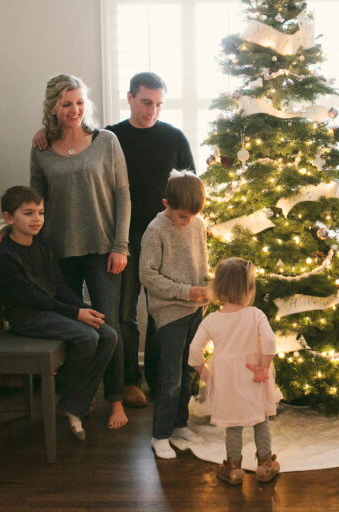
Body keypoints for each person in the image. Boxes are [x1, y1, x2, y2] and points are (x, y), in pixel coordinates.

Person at [34, 72, 195, 407]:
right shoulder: (108, 136)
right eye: (146, 102)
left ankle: (157, 379)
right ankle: (123, 384)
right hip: (116, 237)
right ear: (130, 98)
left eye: (159, 104)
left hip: (155, 236)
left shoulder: (167, 138)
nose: (152, 110)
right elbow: (40, 196)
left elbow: (186, 186)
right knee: (123, 315)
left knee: (161, 309)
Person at [4, 73, 131, 430]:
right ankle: (76, 397)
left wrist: (121, 246)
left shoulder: (106, 141)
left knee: (110, 323)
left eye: (79, 102)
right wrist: (8, 233)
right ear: (53, 108)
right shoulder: (41, 147)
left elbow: (123, 194)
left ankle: (116, 400)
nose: (74, 109)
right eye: (66, 103)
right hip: (57, 253)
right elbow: (33, 201)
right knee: (73, 328)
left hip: (104, 248)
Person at [0, 186, 117, 441]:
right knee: (87, 338)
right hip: (27, 316)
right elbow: (31, 297)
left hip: (51, 310)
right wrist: (74, 314)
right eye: (28, 213)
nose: (37, 218)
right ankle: (68, 394)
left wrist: (81, 308)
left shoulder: (43, 244)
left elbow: (58, 285)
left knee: (108, 335)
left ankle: (73, 402)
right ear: (8, 218)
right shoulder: (5, 255)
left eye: (40, 212)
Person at [188, 257, 282, 485]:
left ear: (218, 288)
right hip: (253, 376)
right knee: (261, 419)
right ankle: (265, 464)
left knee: (233, 423)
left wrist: (205, 373)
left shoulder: (211, 320)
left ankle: (233, 468)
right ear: (249, 289)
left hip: (226, 380)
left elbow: (193, 351)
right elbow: (269, 342)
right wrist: (263, 367)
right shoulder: (256, 314)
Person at [139, 170, 208, 459]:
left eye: (192, 216)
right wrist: (184, 292)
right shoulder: (156, 230)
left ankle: (179, 423)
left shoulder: (197, 223)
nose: (188, 221)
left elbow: (202, 261)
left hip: (195, 308)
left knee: (189, 368)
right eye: (182, 216)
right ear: (166, 203)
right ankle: (160, 435)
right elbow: (147, 275)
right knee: (172, 375)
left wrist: (204, 289)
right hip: (169, 310)